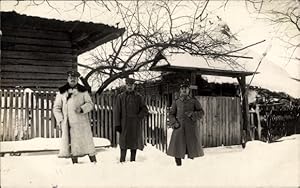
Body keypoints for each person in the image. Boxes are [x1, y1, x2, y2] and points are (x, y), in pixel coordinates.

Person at [53, 71, 97, 164]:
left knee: (87, 144)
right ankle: (75, 164)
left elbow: (90, 104)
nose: (72, 80)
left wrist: (82, 109)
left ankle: (94, 162)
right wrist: (61, 120)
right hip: (68, 123)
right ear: (67, 79)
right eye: (71, 78)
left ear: (77, 80)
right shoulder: (62, 91)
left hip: (82, 123)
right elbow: (56, 108)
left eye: (75, 78)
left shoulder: (83, 90)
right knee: (72, 144)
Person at [167, 79, 205, 166]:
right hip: (179, 128)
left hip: (191, 128)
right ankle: (178, 166)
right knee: (177, 148)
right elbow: (171, 114)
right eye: (182, 88)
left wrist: (192, 114)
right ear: (180, 90)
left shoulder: (194, 101)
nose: (184, 90)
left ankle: (190, 168)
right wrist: (174, 123)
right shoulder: (176, 102)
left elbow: (201, 112)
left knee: (191, 149)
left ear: (188, 90)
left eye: (186, 88)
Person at [113, 77, 149, 163]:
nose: (130, 87)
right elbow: (117, 111)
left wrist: (138, 117)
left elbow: (144, 109)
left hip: (134, 124)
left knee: (134, 143)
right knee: (123, 143)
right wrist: (117, 124)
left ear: (134, 86)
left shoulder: (138, 97)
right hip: (124, 124)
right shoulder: (120, 97)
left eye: (131, 85)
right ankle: (122, 161)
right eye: (128, 85)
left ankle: (133, 161)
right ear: (126, 85)